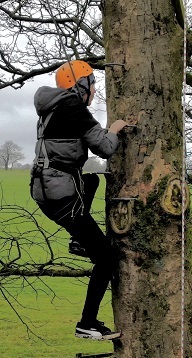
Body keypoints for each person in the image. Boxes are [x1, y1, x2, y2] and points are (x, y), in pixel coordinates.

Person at [30, 59, 128, 340]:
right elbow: (106, 147)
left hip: (46, 190)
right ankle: (87, 322)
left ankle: (77, 241)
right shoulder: (73, 107)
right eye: (93, 83)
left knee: (91, 180)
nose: (95, 89)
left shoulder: (51, 108)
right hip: (61, 195)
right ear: (80, 84)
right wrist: (115, 128)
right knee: (107, 259)